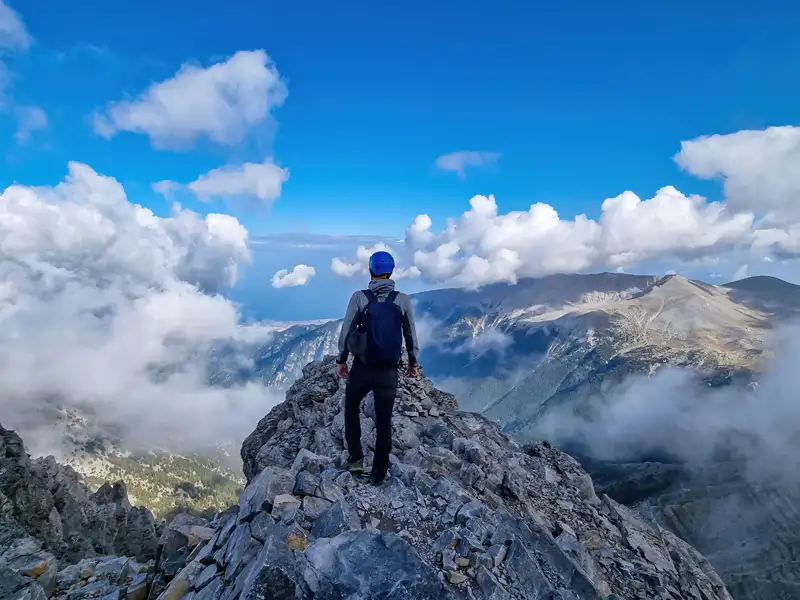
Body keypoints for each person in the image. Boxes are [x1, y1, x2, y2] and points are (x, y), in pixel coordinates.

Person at [335, 250, 420, 485]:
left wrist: (341, 361)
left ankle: (355, 461)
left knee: (351, 411)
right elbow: (410, 334)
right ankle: (378, 473)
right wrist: (413, 363)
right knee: (384, 421)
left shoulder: (359, 297)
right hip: (389, 372)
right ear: (391, 272)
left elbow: (347, 330)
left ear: (371, 270)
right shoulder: (402, 300)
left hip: (362, 368)